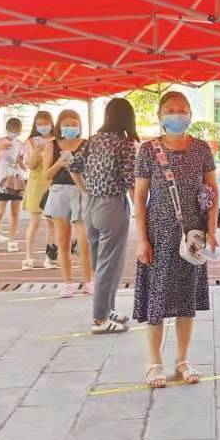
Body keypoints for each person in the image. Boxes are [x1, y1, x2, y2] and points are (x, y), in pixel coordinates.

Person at [133, 91, 220, 384]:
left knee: (186, 299)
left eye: (182, 110)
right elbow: (140, 197)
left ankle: (182, 361)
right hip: (158, 234)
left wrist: (212, 231)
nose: (177, 115)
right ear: (160, 116)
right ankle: (153, 363)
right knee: (156, 299)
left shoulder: (201, 149)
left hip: (192, 236)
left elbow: (212, 191)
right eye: (170, 110)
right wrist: (142, 239)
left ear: (190, 115)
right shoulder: (148, 150)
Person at [70, 98, 139, 334]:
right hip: (112, 205)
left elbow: (73, 167)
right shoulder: (125, 144)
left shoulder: (92, 141)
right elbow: (131, 182)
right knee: (110, 264)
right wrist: (142, 212)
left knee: (100, 261)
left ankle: (108, 310)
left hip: (90, 204)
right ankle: (100, 318)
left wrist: (85, 190)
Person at [43, 110, 93, 298]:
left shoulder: (87, 144)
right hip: (59, 191)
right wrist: (60, 163)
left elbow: (93, 170)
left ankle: (89, 281)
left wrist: (77, 167)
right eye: (66, 124)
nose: (70, 128)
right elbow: (46, 175)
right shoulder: (52, 145)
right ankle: (67, 282)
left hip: (81, 191)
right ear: (59, 126)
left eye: (74, 124)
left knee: (84, 240)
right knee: (62, 240)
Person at [21, 111, 58, 269]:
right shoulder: (30, 142)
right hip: (36, 184)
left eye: (46, 123)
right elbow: (29, 165)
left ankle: (50, 257)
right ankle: (28, 257)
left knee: (52, 222)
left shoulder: (58, 141)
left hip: (53, 184)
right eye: (40, 124)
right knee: (34, 222)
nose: (43, 126)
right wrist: (36, 152)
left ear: (52, 123)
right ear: (35, 126)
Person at [0, 118, 25, 254]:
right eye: (12, 130)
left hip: (17, 181)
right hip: (1, 183)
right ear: (7, 129)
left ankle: (12, 240)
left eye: (17, 130)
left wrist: (21, 162)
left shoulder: (21, 144)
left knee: (15, 212)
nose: (14, 132)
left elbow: (24, 165)